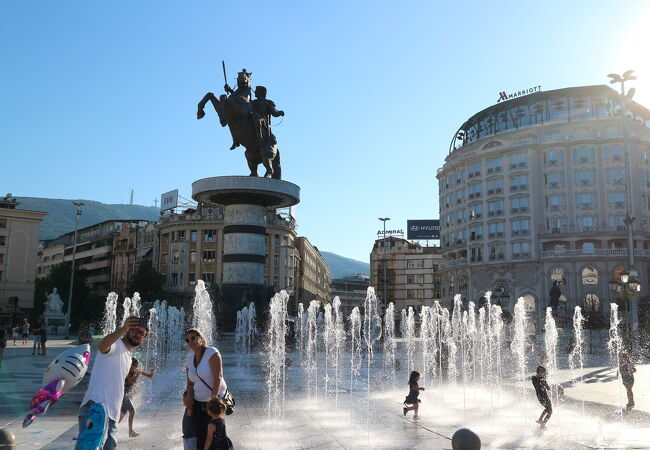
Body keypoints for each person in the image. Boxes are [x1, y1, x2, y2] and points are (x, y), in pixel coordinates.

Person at [77, 316, 148, 450]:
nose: (138, 334)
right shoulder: (116, 345)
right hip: (96, 408)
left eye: (141, 333)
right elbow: (103, 345)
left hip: (112, 412)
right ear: (127, 331)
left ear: (144, 339)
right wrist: (122, 328)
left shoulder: (128, 356)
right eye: (134, 330)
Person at [184, 328, 228, 450]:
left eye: (193, 338)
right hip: (198, 402)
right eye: (187, 340)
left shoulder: (211, 352)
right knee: (200, 434)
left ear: (201, 339)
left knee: (216, 435)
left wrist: (213, 400)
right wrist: (189, 399)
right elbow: (190, 384)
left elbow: (218, 377)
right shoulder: (189, 361)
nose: (190, 341)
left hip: (214, 402)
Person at [119, 357, 155, 437]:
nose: (131, 369)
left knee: (122, 414)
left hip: (128, 395)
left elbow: (149, 376)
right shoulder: (127, 372)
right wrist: (138, 375)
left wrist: (153, 371)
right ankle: (130, 432)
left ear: (136, 367)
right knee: (132, 411)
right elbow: (131, 381)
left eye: (133, 367)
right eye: (130, 367)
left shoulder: (137, 371)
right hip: (123, 395)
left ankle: (109, 427)